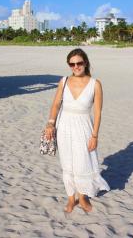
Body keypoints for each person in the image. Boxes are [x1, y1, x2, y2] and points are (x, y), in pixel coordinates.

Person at [45, 48, 110, 214]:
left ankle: (82, 197)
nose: (76, 66)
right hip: (64, 125)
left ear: (85, 62)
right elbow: (56, 104)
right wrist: (51, 123)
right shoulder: (64, 81)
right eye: (72, 64)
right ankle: (71, 198)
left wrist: (94, 135)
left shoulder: (95, 84)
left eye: (79, 63)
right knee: (67, 164)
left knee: (82, 162)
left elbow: (97, 112)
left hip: (84, 127)